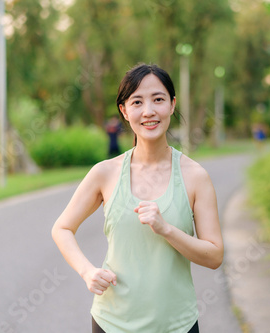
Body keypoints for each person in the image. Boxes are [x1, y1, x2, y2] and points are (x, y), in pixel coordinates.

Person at [51, 63, 224, 333]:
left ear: (172, 105)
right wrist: (87, 271)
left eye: (158, 99)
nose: (149, 111)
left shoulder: (195, 176)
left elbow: (214, 255)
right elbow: (62, 228)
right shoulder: (104, 173)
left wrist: (166, 229)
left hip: (176, 325)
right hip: (112, 323)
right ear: (124, 110)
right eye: (137, 102)